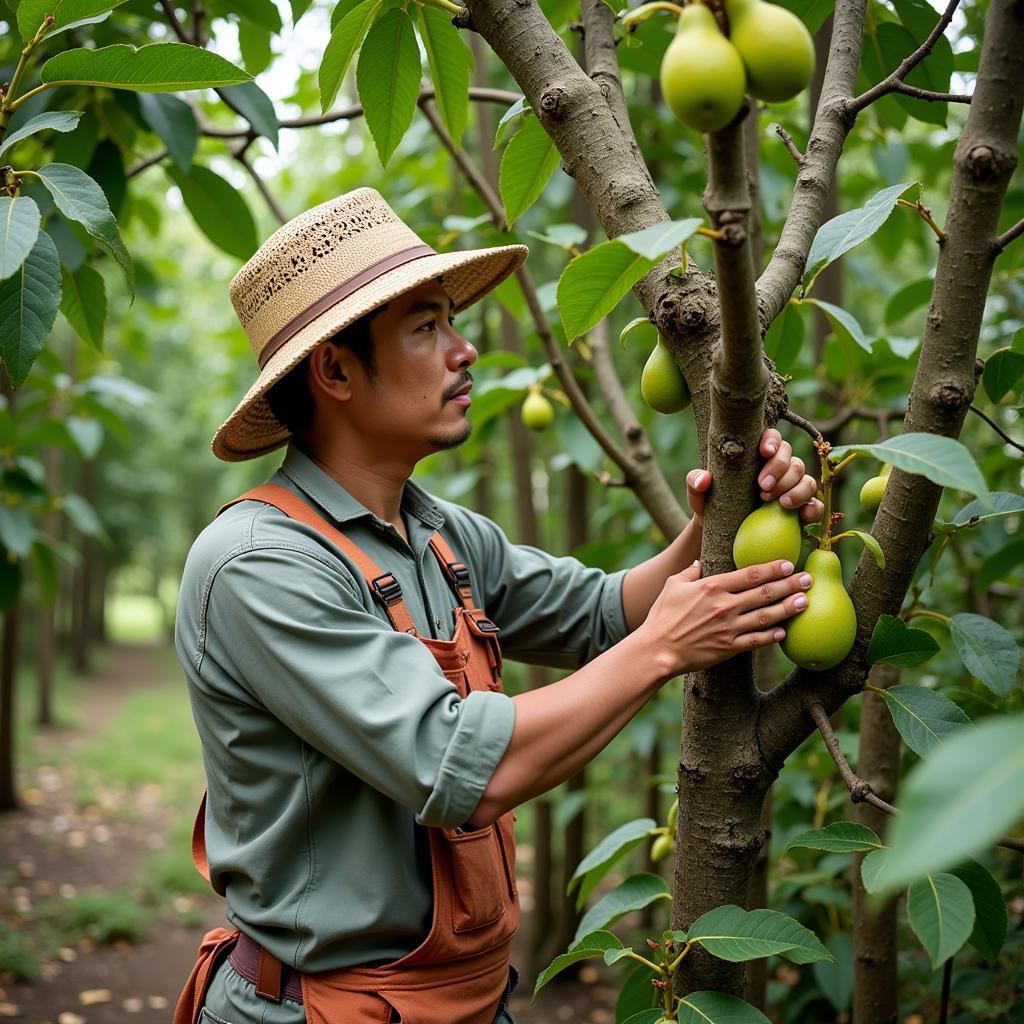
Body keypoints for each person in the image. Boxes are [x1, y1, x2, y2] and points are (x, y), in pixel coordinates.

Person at [172, 188, 822, 1024]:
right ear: (334, 370)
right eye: (427, 326)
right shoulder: (259, 566)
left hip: (472, 1002)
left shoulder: (439, 534)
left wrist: (710, 531)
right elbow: (458, 767)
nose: (465, 349)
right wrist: (666, 647)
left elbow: (600, 613)